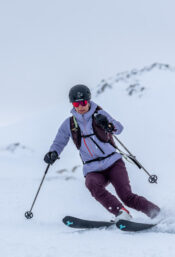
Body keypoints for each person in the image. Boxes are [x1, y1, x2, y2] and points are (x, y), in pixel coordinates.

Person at [44, 84, 160, 220]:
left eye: (83, 102)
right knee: (91, 184)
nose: (80, 106)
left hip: (113, 163)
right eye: (76, 103)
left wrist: (108, 124)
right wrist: (53, 153)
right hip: (92, 168)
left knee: (126, 196)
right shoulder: (69, 124)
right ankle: (121, 213)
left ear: (88, 101)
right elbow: (59, 141)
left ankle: (157, 213)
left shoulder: (100, 114)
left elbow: (119, 129)